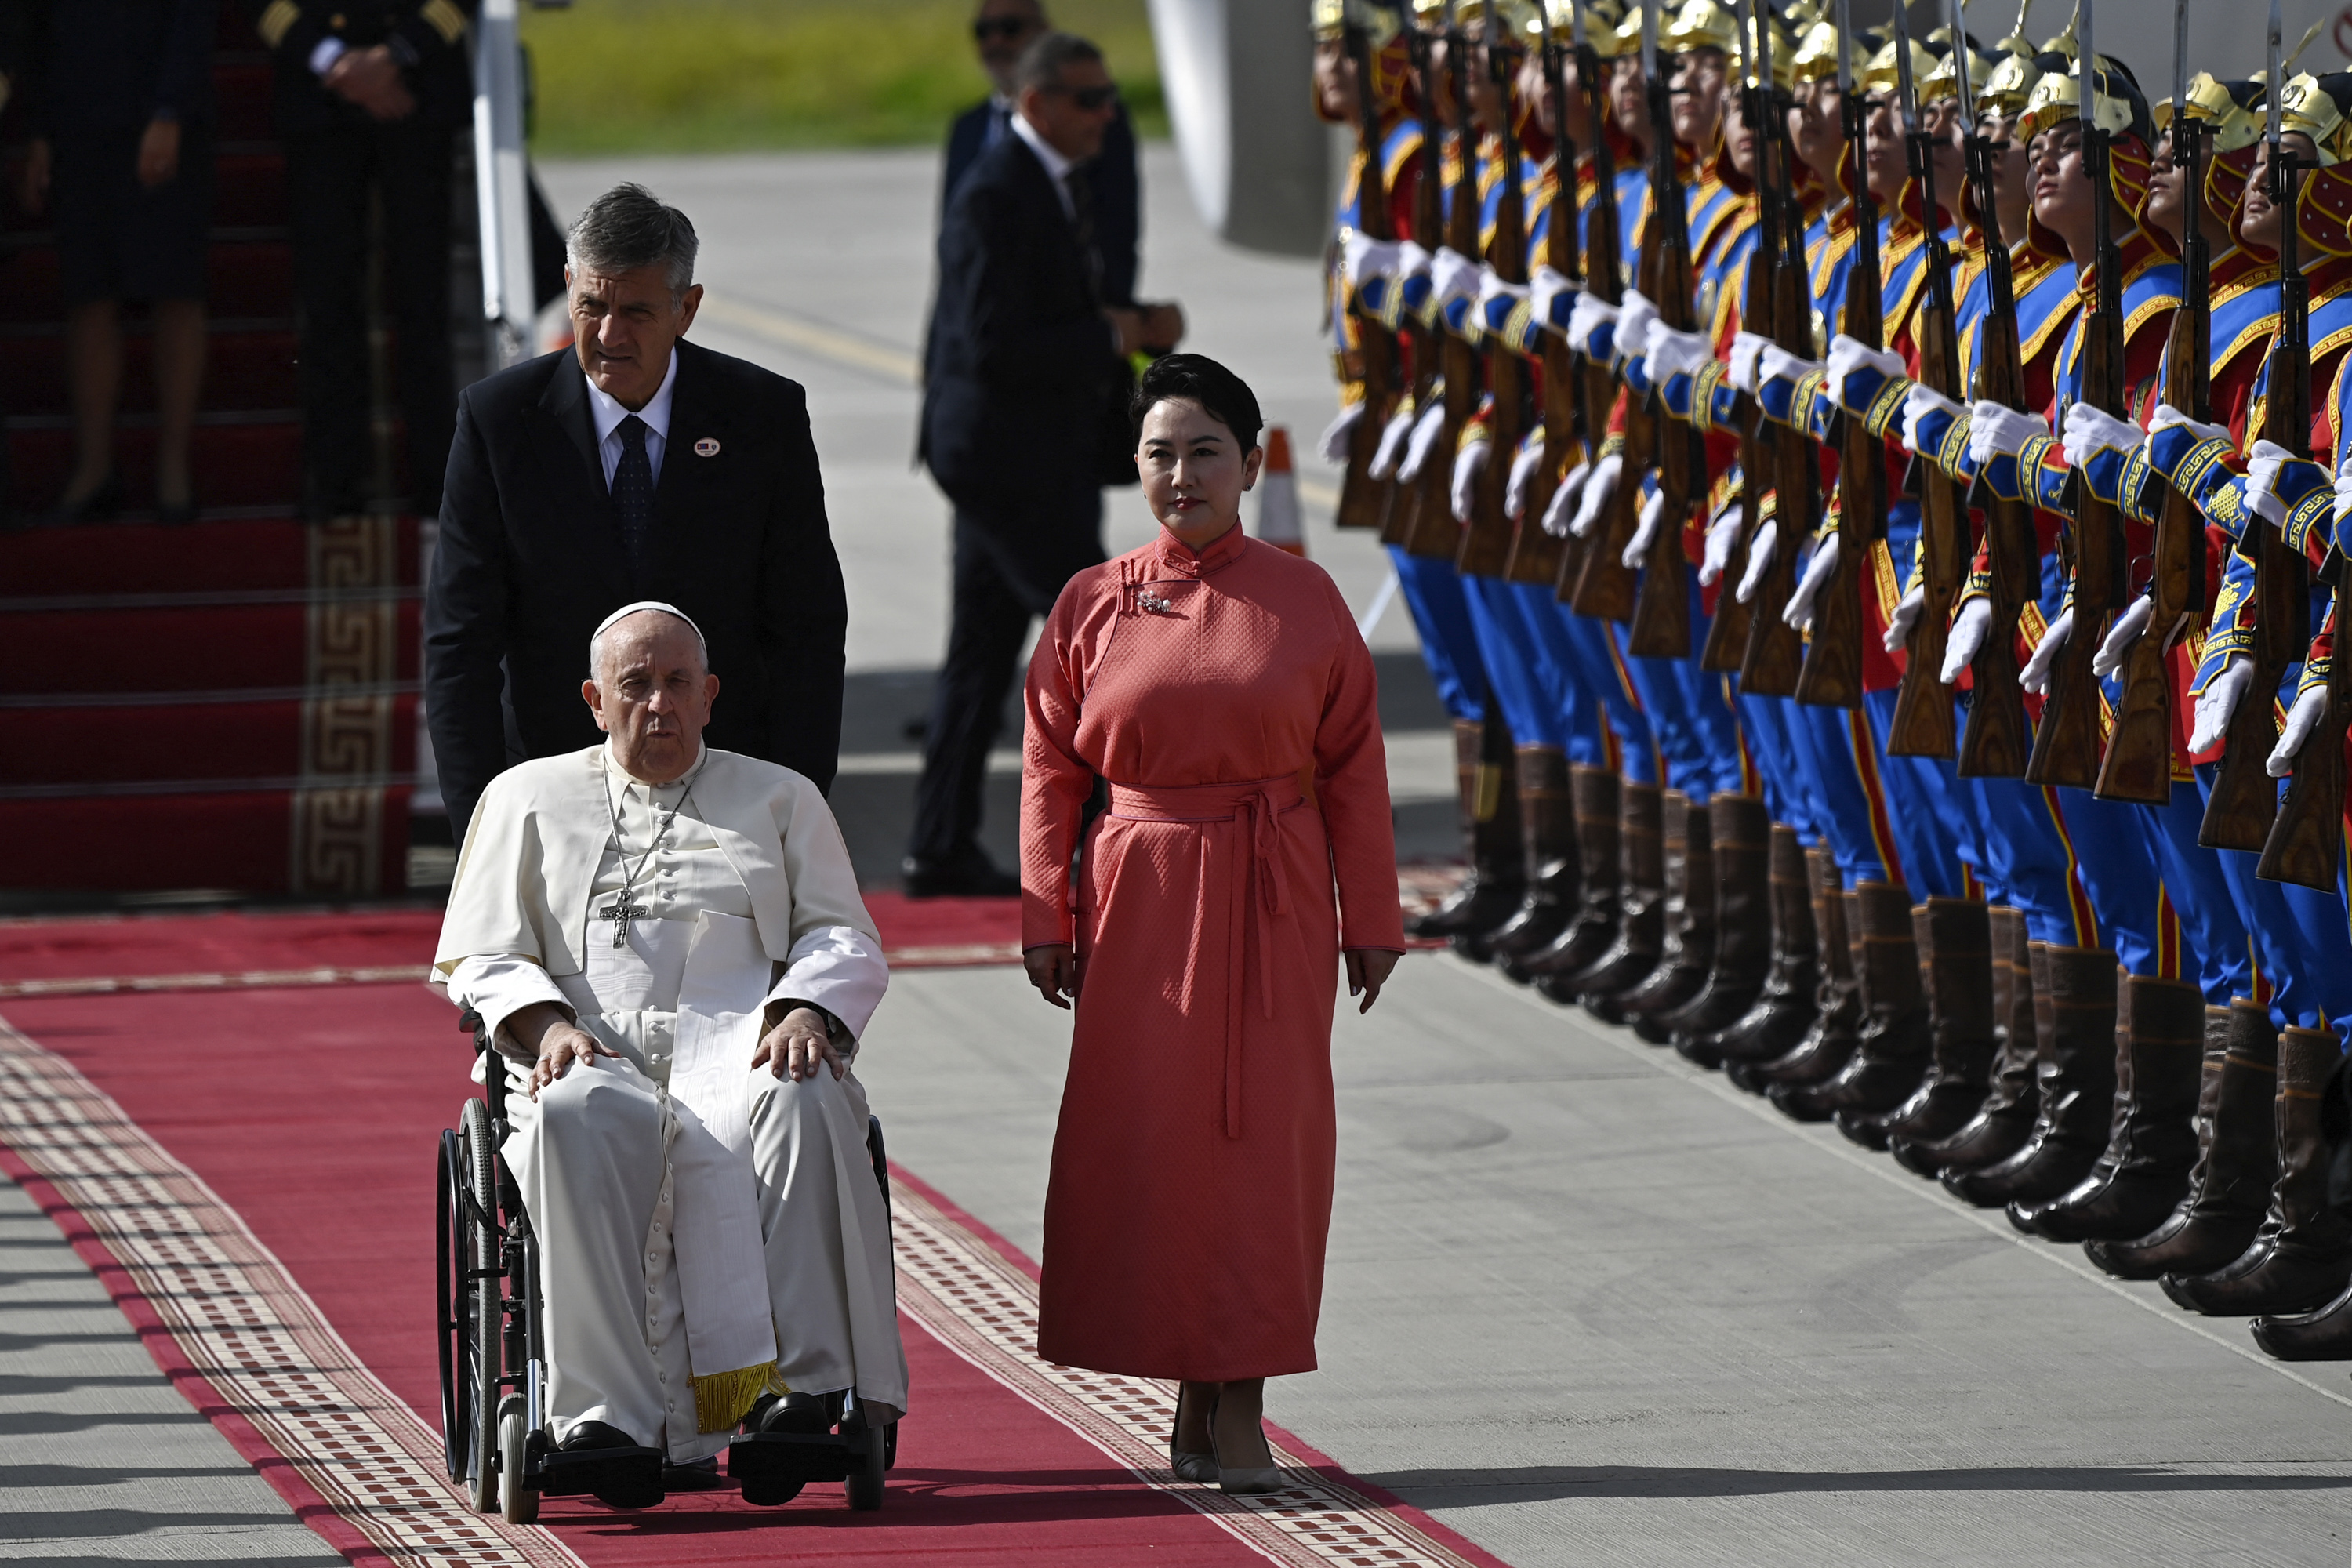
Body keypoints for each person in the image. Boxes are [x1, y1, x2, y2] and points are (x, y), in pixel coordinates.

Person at [1019, 355, 1404, 1494]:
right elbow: (1050, 764)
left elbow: (1355, 770)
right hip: (1137, 902)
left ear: (1249, 463)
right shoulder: (1091, 598)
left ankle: (1240, 1406)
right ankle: (1190, 1394)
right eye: (1158, 453)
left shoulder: (1308, 597)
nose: (1180, 473)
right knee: (1153, 1153)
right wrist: (1048, 909)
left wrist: (1369, 919)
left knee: (1260, 1155)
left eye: (1204, 451)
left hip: (1273, 893)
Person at [434, 602, 904, 1504]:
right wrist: (549, 1024)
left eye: (677, 682)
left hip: (746, 1047)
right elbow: (485, 954)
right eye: (635, 685)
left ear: (710, 694)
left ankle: (794, 1396)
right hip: (591, 1052)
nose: (658, 702)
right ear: (594, 700)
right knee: (572, 1113)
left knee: (804, 1099)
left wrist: (804, 1010)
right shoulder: (524, 797)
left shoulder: (778, 796)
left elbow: (843, 935)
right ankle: (603, 1415)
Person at [426, 183, 848, 846]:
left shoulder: (762, 417)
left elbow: (807, 630)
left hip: (729, 794)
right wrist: (480, 834)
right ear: (566, 284)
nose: (609, 335)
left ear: (688, 308)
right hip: (553, 795)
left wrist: (796, 805)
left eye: (638, 312)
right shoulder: (499, 424)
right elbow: (460, 644)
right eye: (591, 305)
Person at [911, 31, 1182, 897]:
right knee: (1100, 650)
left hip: (1027, 456)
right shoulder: (996, 194)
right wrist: (1119, 335)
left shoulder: (1061, 183)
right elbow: (994, 346)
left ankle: (940, 842)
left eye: (1112, 99)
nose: (1108, 116)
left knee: (980, 658)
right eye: (1089, 100)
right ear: (1037, 105)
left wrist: (1124, 323)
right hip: (1006, 466)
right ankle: (1130, 842)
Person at [252, 0, 468, 521]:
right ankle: (335, 483)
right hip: (318, 101)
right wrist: (333, 61)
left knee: (422, 302)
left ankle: (438, 482)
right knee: (328, 306)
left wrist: (394, 55)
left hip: (416, 94)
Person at [17, 0, 216, 526]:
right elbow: (31, 26)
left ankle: (173, 467)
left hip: (164, 112)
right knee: (89, 297)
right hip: (75, 121)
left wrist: (171, 108)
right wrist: (36, 131)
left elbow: (192, 15)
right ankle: (94, 468)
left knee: (175, 293)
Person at [936, 0, 1138, 307]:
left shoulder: (1094, 118)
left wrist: (1111, 327)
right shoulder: (967, 128)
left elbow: (1117, 231)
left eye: (1010, 28)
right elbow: (953, 245)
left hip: (1066, 321)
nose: (996, 42)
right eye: (983, 31)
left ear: (1045, 32)